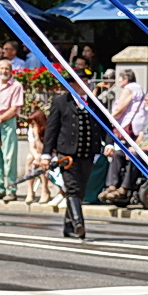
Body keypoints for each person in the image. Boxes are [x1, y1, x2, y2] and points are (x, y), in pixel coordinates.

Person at [38, 65, 105, 240]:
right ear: (72, 84)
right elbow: (52, 129)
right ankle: (78, 224)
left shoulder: (95, 102)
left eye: (87, 81)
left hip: (88, 153)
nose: (86, 83)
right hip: (67, 154)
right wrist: (46, 154)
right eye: (81, 81)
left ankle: (68, 226)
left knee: (80, 190)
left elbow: (106, 126)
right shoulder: (61, 102)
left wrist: (110, 145)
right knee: (72, 189)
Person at [101, 69, 148, 204]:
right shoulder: (141, 89)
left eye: (120, 78)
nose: (118, 81)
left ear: (126, 79)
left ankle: (119, 188)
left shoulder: (130, 88)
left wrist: (111, 117)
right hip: (136, 129)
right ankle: (113, 187)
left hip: (129, 128)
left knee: (129, 156)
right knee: (118, 155)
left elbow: (121, 107)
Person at [0, 59, 23, 200]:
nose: (4, 71)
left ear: (11, 70)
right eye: (1, 68)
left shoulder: (16, 86)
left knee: (9, 157)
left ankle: (11, 189)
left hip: (7, 122)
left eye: (7, 68)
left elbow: (14, 108)